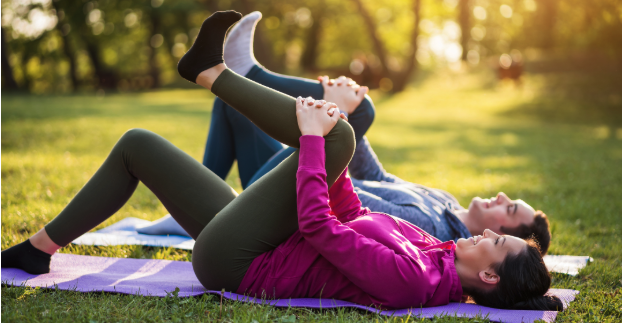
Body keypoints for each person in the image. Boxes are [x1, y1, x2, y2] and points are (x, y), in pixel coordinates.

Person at [1, 11, 562, 311]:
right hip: (262, 240)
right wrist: (324, 150)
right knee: (138, 144)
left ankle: (213, 72)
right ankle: (37, 250)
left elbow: (320, 228)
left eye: (495, 241)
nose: (482, 235)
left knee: (337, 139)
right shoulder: (436, 253)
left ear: (487, 274)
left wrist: (320, 144)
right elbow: (346, 211)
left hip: (239, 263)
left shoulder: (414, 280)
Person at [138, 12, 552, 254]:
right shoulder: (445, 203)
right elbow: (378, 177)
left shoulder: (436, 231)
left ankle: (249, 71)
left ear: (497, 235)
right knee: (230, 101)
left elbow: (345, 201)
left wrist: (341, 116)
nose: (501, 196)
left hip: (283, 195)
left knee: (363, 109)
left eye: (510, 208)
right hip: (287, 184)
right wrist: (346, 118)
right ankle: (182, 212)